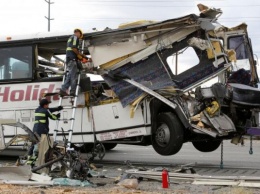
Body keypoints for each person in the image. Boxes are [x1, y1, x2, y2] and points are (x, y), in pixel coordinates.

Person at [59, 28, 86, 97]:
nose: (79, 38)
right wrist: (81, 55)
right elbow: (74, 48)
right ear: (78, 33)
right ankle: (72, 91)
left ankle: (63, 90)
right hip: (72, 59)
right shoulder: (74, 37)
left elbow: (72, 49)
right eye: (80, 36)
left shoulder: (70, 38)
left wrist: (80, 57)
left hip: (69, 59)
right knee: (73, 76)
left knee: (70, 75)